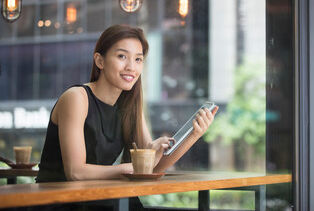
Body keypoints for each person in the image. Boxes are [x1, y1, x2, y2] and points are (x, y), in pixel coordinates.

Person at [36, 25, 218, 210]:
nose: (131, 67)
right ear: (100, 61)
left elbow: (153, 169)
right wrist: (131, 168)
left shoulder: (129, 107)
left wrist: (194, 134)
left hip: (97, 196)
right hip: (57, 201)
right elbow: (76, 172)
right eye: (122, 56)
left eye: (138, 59)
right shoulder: (76, 98)